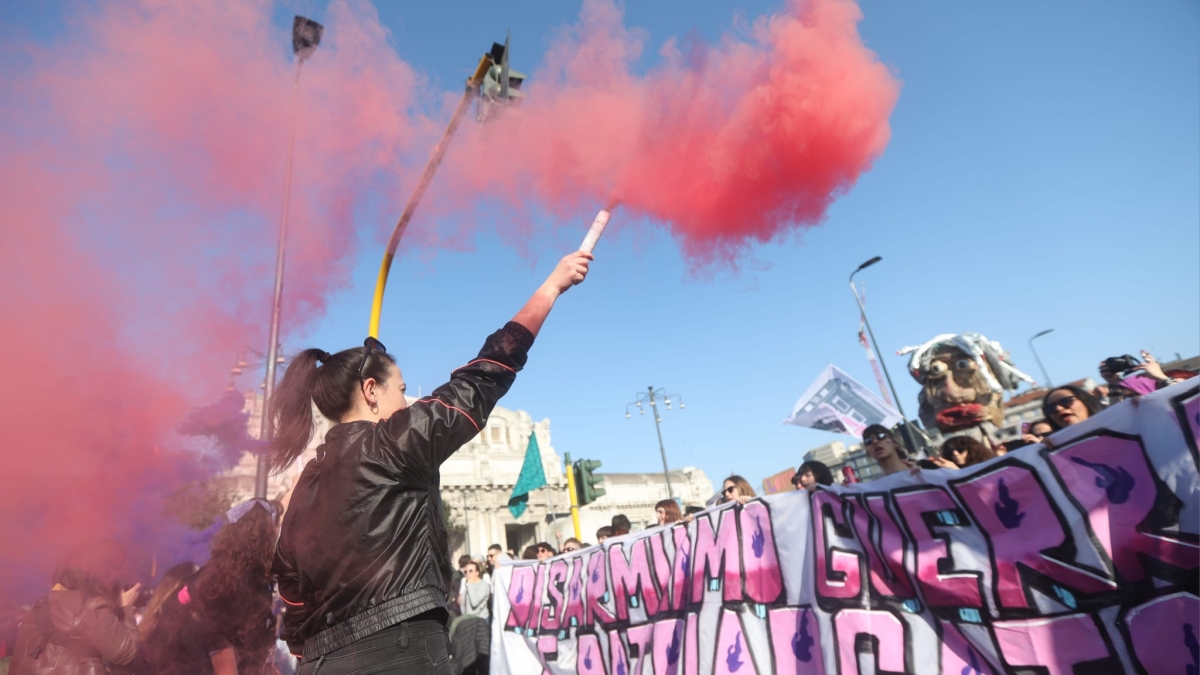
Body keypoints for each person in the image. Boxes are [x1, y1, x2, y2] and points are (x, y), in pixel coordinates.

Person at [269, 250, 591, 674]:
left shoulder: (303, 485)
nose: (406, 400)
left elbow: (290, 589)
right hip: (400, 650)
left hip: (321, 662)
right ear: (371, 390)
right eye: (400, 388)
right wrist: (551, 288)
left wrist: (304, 646)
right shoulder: (393, 444)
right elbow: (485, 374)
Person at [10, 541, 141, 675]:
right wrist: (126, 608)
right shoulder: (92, 607)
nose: (117, 575)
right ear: (96, 568)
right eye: (114, 566)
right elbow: (127, 654)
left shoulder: (39, 605)